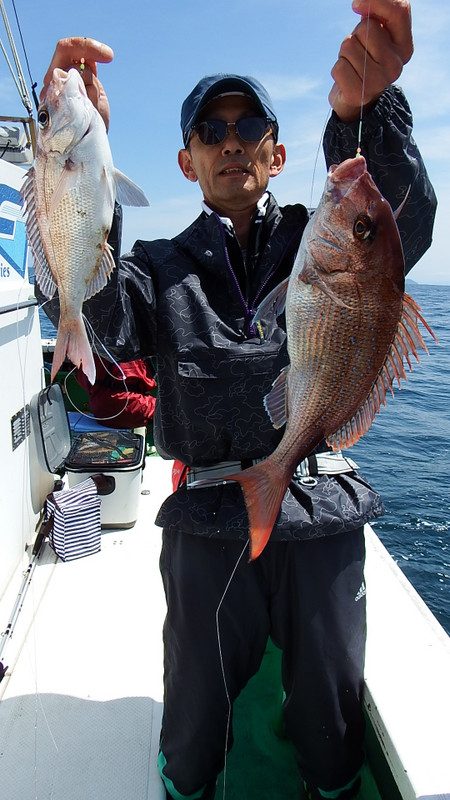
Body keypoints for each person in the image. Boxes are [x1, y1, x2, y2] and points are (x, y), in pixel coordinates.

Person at [39, 2, 436, 798]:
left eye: (247, 124)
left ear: (276, 151)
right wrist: (70, 157)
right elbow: (98, 313)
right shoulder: (157, 264)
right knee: (191, 730)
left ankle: (328, 775)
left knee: (331, 711)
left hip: (319, 501)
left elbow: (394, 223)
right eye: (209, 132)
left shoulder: (319, 235)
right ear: (187, 162)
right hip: (208, 509)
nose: (230, 142)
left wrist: (368, 113)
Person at [75, 354, 157, 429]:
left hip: (100, 410)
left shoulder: (92, 347)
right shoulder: (133, 350)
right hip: (127, 404)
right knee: (166, 410)